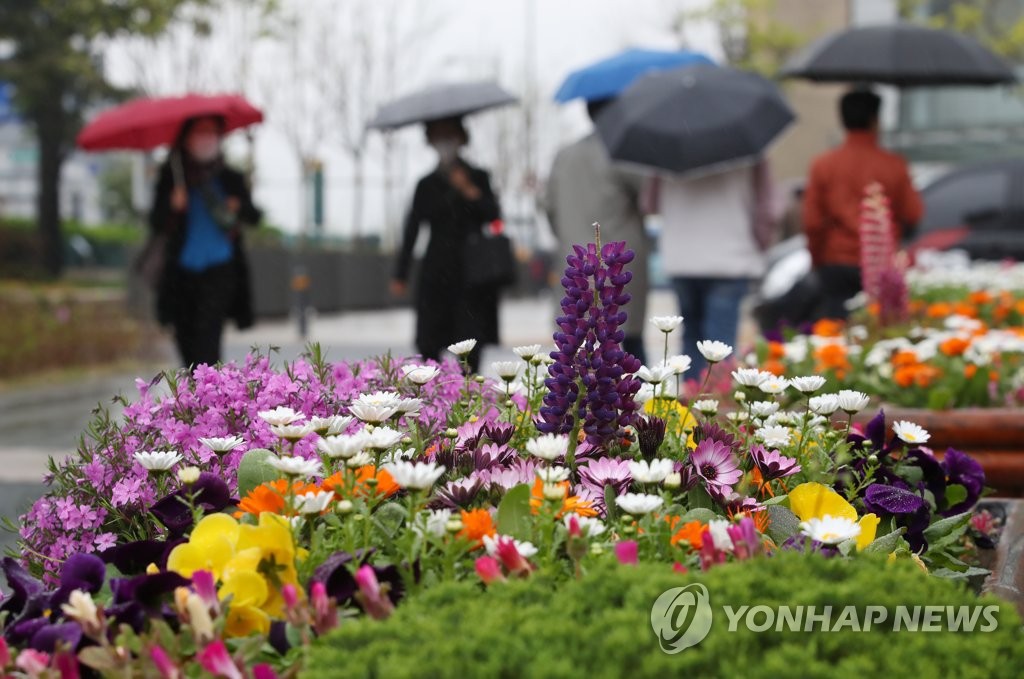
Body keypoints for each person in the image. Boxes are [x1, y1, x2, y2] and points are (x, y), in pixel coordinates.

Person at [147, 115, 261, 368]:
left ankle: (210, 400)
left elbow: (254, 216)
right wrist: (173, 206)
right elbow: (155, 222)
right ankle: (195, 396)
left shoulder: (230, 178)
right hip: (181, 272)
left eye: (212, 132)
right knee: (185, 340)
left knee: (208, 340)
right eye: (200, 132)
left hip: (220, 270)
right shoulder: (173, 177)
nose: (206, 139)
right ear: (186, 138)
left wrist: (238, 206)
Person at [390, 117, 502, 372]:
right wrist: (401, 273)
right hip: (436, 269)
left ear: (462, 138)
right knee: (428, 342)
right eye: (438, 136)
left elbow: (495, 219)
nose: (445, 143)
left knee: (470, 341)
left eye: (449, 136)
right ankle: (434, 397)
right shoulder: (426, 184)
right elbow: (412, 228)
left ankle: (471, 395)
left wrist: (470, 191)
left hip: (471, 271)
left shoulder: (478, 177)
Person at [802, 89, 923, 320]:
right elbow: (914, 213)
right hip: (883, 266)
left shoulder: (823, 165)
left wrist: (818, 260)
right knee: (880, 328)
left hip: (835, 262)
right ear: (875, 120)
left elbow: (812, 222)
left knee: (836, 332)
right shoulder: (894, 165)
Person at [546, 98, 649, 364]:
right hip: (618, 264)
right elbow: (649, 200)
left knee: (575, 346)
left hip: (574, 263)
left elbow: (548, 207)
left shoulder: (565, 155)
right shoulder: (624, 153)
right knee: (628, 345)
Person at [652, 160, 776, 377]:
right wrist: (762, 242)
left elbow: (650, 203)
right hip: (730, 255)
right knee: (720, 346)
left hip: (682, 254)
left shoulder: (666, 144)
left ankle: (686, 407)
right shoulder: (747, 147)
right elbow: (766, 206)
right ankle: (715, 404)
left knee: (690, 339)